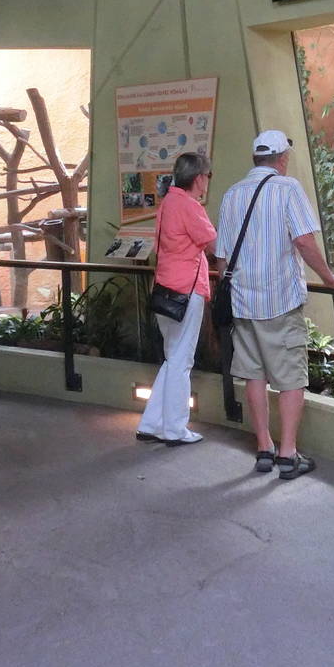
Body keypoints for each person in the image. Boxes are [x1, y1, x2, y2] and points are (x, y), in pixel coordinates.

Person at [214, 130, 334, 481]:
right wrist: (329, 277)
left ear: (256, 158)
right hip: (279, 303)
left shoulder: (231, 194)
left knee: (254, 375)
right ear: (282, 158)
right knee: (290, 378)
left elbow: (222, 258)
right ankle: (287, 454)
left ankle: (263, 447)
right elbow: (303, 240)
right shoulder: (288, 189)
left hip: (243, 303)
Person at [136, 151, 217, 446]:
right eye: (208, 176)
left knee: (173, 358)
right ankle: (175, 429)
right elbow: (213, 243)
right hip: (187, 291)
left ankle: (152, 423)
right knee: (182, 361)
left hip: (165, 289)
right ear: (199, 178)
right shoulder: (190, 206)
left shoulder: (167, 202)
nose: (208, 181)